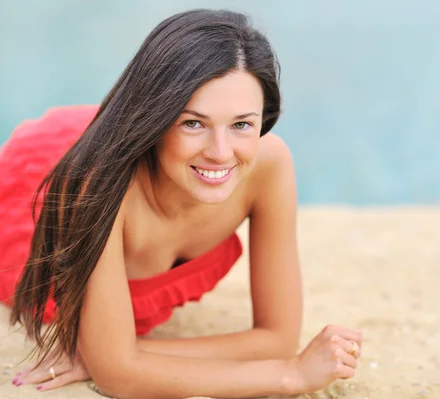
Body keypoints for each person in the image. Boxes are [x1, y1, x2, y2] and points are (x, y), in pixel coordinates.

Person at [0, 8, 362, 399]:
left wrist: (115, 351)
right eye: (193, 123)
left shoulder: (269, 164)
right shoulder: (97, 185)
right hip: (38, 186)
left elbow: (274, 340)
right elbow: (117, 375)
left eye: (242, 124)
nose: (221, 153)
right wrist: (290, 376)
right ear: (154, 119)